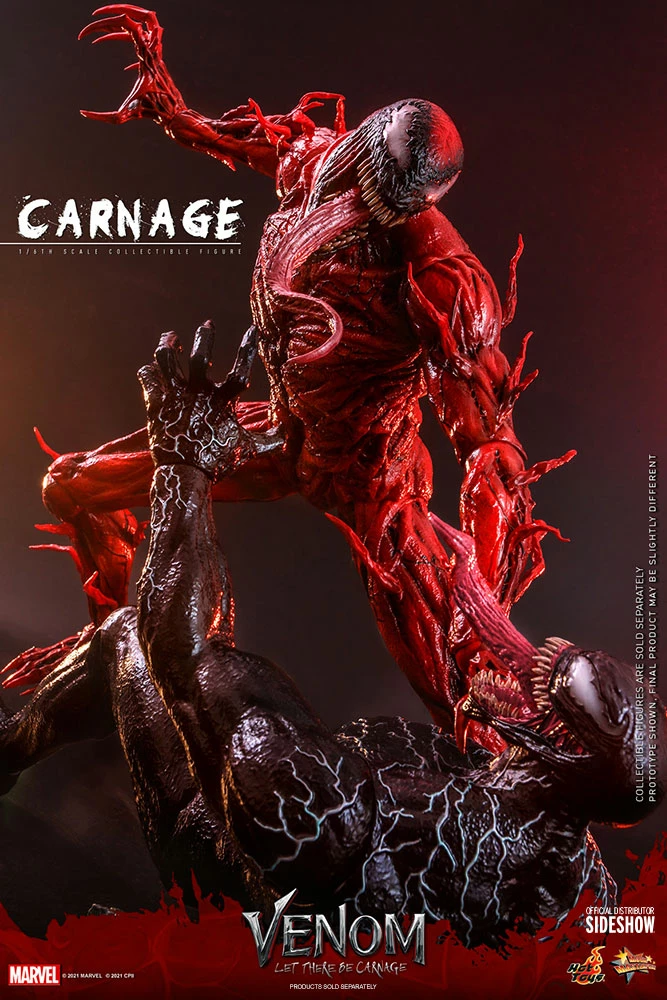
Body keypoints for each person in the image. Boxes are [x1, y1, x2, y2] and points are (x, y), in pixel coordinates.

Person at [11, 6, 573, 748]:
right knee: (73, 486)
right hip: (280, 431)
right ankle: (124, 650)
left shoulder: (440, 277)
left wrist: (480, 598)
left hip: (373, 480)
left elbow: (490, 450)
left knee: (460, 696)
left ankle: (514, 776)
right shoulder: (313, 162)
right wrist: (172, 108)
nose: (374, 212)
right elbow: (240, 140)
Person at [2, 324, 662, 949]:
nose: (514, 671)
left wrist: (185, 459)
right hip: (351, 882)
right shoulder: (580, 876)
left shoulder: (358, 818)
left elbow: (185, 659)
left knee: (136, 640)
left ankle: (9, 751)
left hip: (240, 885)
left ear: (558, 748)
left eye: (540, 696)